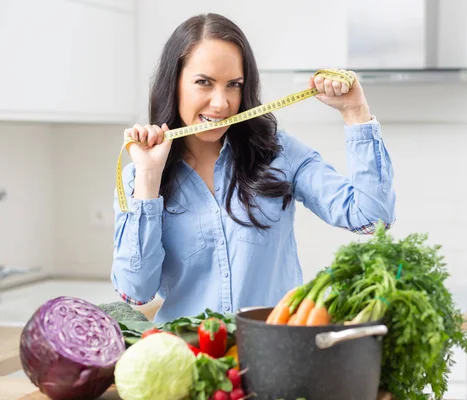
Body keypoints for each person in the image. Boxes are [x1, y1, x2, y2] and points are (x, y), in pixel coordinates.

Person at [112, 13, 396, 323]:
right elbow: (136, 293)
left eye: (233, 85)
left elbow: (372, 218)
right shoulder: (138, 178)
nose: (221, 103)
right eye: (204, 82)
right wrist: (149, 180)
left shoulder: (278, 153)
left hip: (274, 356)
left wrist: (355, 112)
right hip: (189, 360)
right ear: (175, 82)